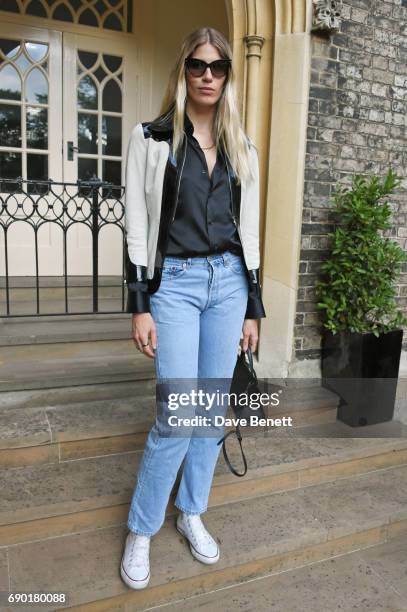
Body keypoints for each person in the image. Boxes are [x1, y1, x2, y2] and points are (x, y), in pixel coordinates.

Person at [120, 26, 266, 590]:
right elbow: (135, 224)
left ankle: (192, 511)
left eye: (219, 66)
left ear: (229, 74)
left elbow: (248, 232)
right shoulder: (151, 139)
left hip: (229, 283)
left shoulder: (241, 146)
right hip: (175, 285)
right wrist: (140, 303)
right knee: (177, 415)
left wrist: (254, 307)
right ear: (183, 71)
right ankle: (142, 528)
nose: (208, 75)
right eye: (199, 65)